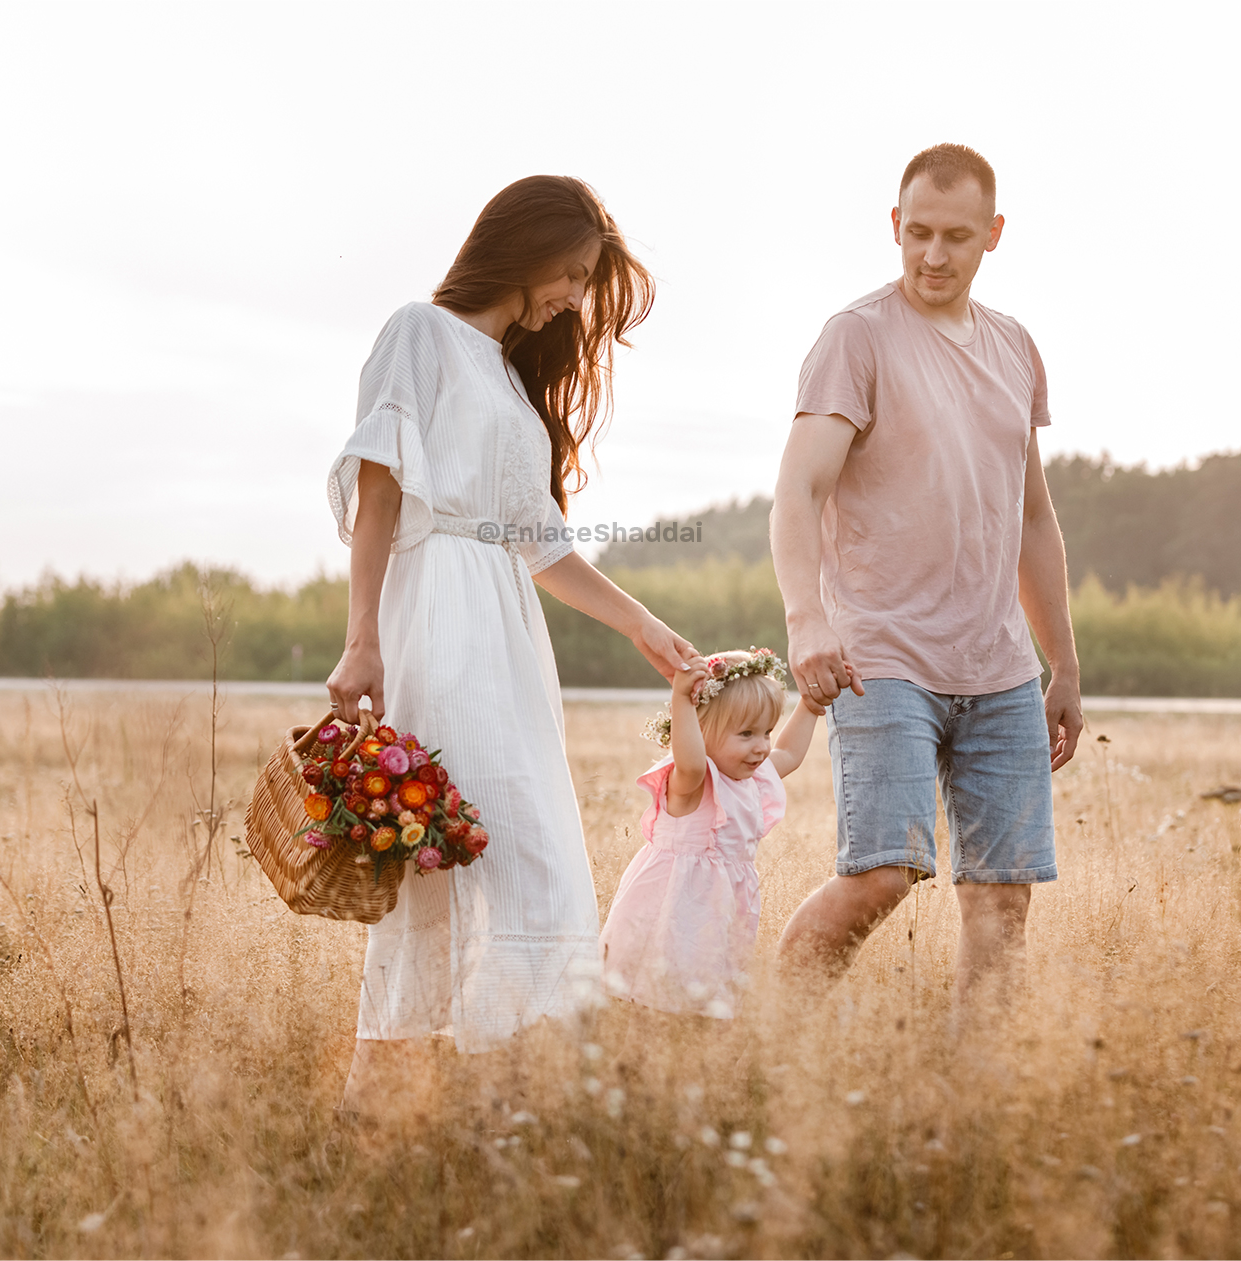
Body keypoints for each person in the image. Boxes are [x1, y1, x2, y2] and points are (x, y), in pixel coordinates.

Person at [324, 176, 699, 1096]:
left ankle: (475, 1109)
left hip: (505, 632)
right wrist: (361, 638)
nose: (576, 297)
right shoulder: (421, 332)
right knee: (477, 855)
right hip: (438, 616)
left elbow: (539, 546)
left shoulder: (504, 373)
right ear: (523, 247)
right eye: (571, 273)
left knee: (511, 858)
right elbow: (377, 498)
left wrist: (642, 623)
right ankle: (438, 1108)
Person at [770, 143, 1084, 1010]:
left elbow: (1031, 516)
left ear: (994, 234)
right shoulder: (857, 338)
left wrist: (1062, 662)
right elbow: (797, 489)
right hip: (883, 656)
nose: (933, 256)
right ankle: (770, 1050)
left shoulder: (1016, 347)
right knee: (881, 873)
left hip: (1001, 670)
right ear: (894, 226)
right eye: (917, 234)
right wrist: (807, 619)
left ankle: (966, 1102)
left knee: (1001, 899)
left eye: (955, 236)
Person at [599, 649, 818, 1018]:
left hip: (720, 910)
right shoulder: (692, 781)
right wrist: (682, 700)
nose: (762, 745)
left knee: (709, 997)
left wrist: (811, 706)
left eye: (765, 731)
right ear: (700, 732)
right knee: (658, 993)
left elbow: (789, 753)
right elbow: (689, 758)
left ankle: (695, 1048)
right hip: (674, 906)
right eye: (746, 733)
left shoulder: (753, 776)